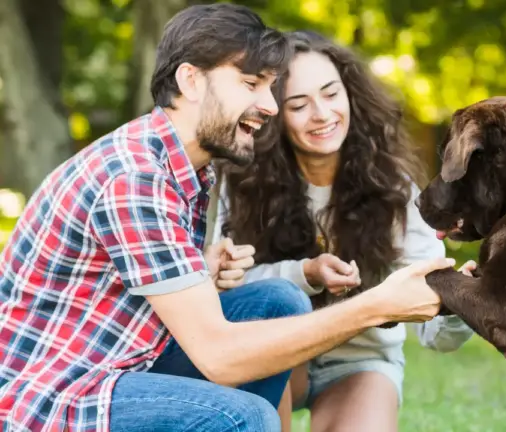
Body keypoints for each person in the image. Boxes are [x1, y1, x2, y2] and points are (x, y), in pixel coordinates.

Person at [0, 5, 457, 432]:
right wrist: (376, 305)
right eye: (252, 84)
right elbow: (219, 357)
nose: (271, 106)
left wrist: (197, 268)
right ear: (192, 81)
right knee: (244, 416)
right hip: (53, 392)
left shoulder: (185, 168)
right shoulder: (137, 178)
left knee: (278, 300)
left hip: (119, 359)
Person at [212, 30, 475, 432]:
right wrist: (305, 274)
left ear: (350, 93)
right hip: (276, 349)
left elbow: (434, 333)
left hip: (358, 361)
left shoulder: (394, 188)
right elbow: (226, 294)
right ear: (272, 115)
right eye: (299, 104)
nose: (322, 114)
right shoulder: (243, 183)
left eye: (331, 93)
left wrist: (460, 301)